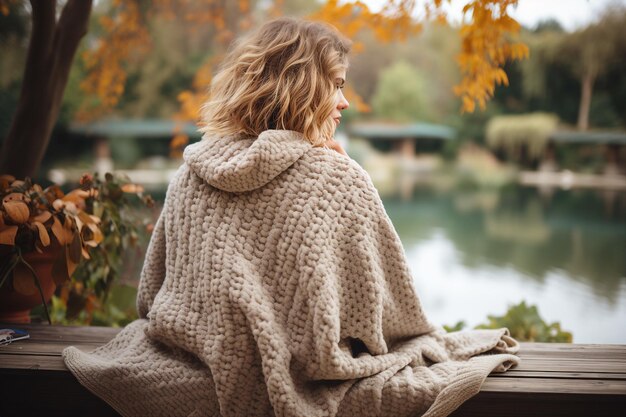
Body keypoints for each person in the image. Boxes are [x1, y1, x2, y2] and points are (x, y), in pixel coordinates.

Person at [63, 17, 520, 417]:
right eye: (337, 85)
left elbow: (151, 296)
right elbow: (385, 318)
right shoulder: (338, 178)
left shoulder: (190, 172)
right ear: (301, 87)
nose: (345, 103)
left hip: (191, 366)